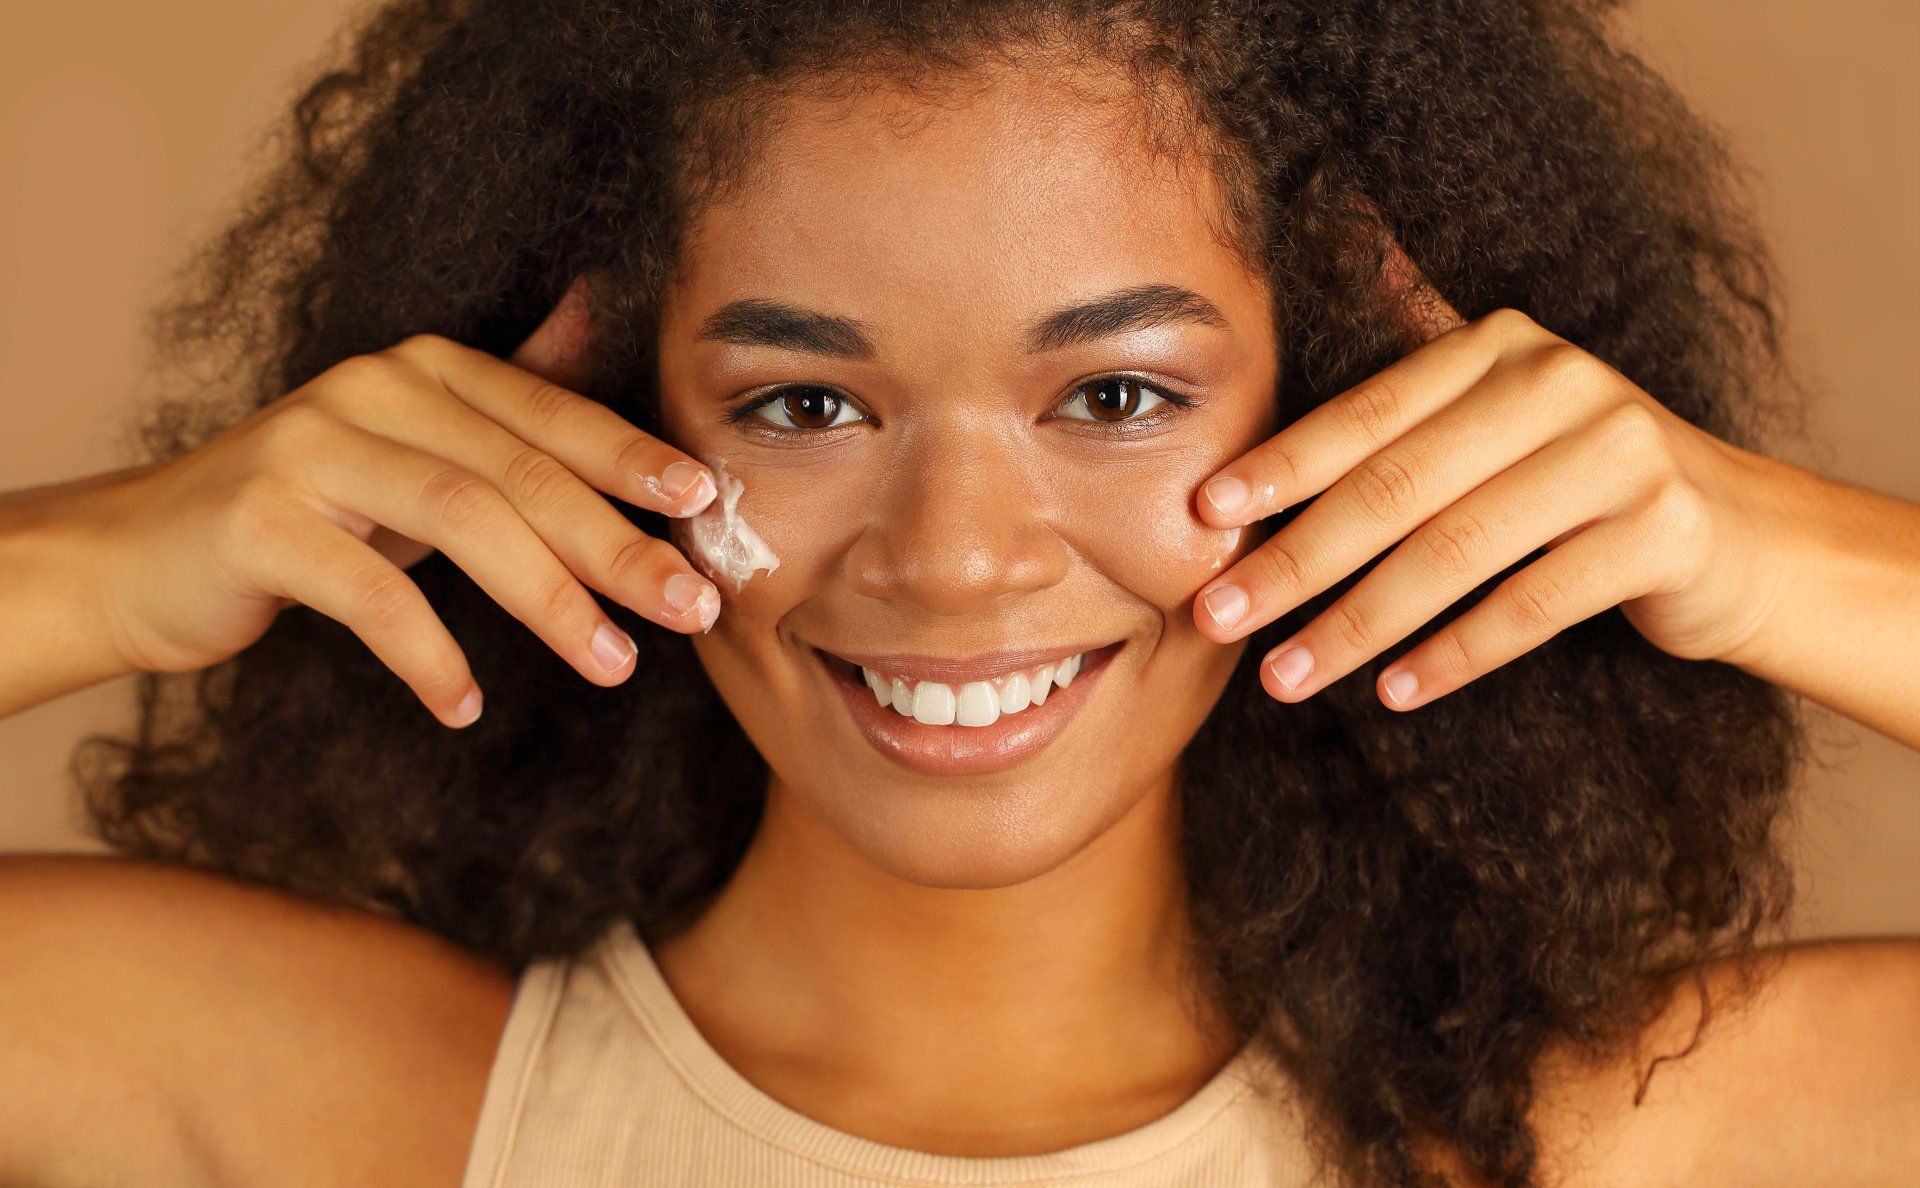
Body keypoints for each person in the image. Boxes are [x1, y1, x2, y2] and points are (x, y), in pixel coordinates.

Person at [1, 2, 1915, 1186]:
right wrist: (101, 564)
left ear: (1352, 402)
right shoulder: (353, 1112)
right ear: (587, 416)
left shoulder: (1603, 1142)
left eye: (1116, 394)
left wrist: (1755, 550)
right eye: (807, 402)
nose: (954, 558)